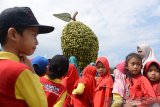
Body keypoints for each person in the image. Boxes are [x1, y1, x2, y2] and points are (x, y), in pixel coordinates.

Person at [0, 7, 54, 107]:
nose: (37, 42)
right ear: (13, 34)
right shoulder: (20, 71)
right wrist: (32, 73)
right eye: (34, 35)